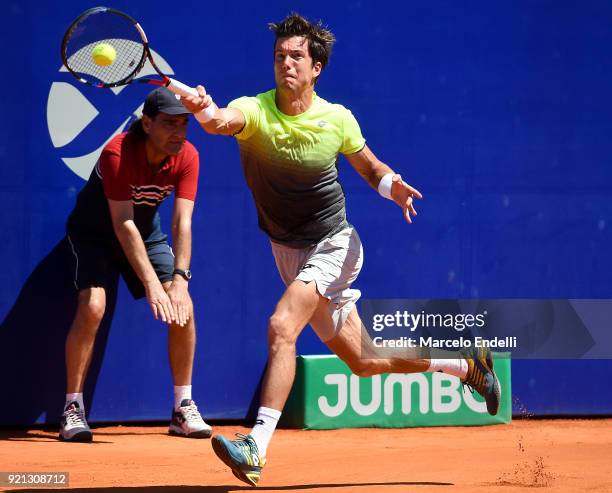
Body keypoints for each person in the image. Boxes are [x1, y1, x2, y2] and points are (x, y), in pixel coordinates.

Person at [182, 13, 500, 486]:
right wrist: (204, 109)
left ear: (316, 68)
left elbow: (370, 169)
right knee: (365, 360)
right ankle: (465, 365)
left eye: (296, 57)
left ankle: (256, 445)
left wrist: (394, 188)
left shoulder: (336, 119)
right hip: (288, 250)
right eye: (279, 57)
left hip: (335, 242)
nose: (285, 64)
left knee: (281, 325)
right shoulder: (255, 109)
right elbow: (221, 122)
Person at [59, 87, 212, 442]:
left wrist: (180, 280)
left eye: (183, 124)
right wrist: (153, 285)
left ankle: (182, 407)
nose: (179, 133)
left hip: (147, 234)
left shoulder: (188, 155)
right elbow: (122, 222)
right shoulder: (117, 152)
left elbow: (182, 223)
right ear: (147, 123)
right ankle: (72, 408)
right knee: (93, 306)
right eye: (169, 124)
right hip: (95, 235)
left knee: (183, 308)